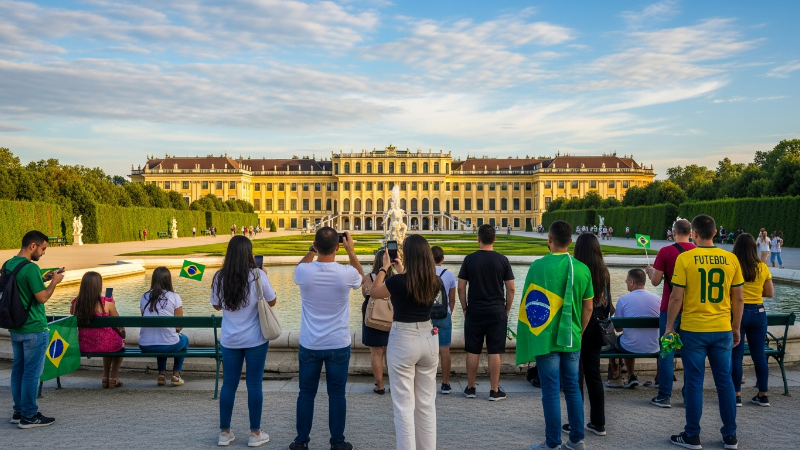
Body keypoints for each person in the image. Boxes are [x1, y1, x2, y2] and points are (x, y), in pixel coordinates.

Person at [665, 214, 743, 450]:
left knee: (695, 383)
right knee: (726, 383)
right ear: (716, 232)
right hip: (721, 328)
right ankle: (730, 436)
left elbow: (676, 297)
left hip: (693, 329)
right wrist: (736, 327)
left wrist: (669, 328)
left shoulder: (685, 259)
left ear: (694, 234)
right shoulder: (731, 259)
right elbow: (738, 298)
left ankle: (692, 435)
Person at [518, 220, 594, 450]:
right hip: (572, 338)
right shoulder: (582, 268)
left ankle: (552, 442)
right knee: (572, 388)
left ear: (549, 239)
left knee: (550, 391)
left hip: (546, 337)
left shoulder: (537, 267)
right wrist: (579, 330)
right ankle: (576, 440)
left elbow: (530, 303)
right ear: (570, 241)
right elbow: (588, 307)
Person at [291, 228, 363, 450]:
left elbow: (299, 268)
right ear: (339, 246)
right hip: (338, 343)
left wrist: (311, 250)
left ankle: (301, 441)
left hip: (311, 343)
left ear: (315, 244)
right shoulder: (346, 273)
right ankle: (337, 442)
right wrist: (351, 252)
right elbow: (362, 280)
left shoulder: (304, 271)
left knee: (306, 394)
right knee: (337, 394)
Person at [368, 235, 441, 450]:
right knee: (427, 404)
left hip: (404, 340)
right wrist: (401, 271)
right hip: (428, 339)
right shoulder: (434, 280)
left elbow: (373, 292)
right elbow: (414, 287)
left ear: (407, 255)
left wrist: (383, 268)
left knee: (403, 406)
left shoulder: (397, 281)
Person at [211, 235, 277, 447]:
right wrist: (263, 277)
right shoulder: (257, 275)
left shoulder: (220, 277)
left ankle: (224, 432)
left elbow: (216, 305)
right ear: (249, 253)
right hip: (256, 338)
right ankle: (255, 433)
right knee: (254, 383)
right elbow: (272, 301)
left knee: (229, 384)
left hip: (231, 339)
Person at [7, 231, 64, 428]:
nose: (43, 253)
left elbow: (24, 288)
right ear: (33, 246)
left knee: (18, 371)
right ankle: (29, 416)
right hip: (34, 327)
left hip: (16, 327)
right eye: (43, 248)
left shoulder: (8, 264)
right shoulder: (31, 268)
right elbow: (42, 298)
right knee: (31, 373)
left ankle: (18, 411)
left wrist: (45, 278)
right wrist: (54, 282)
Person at [458, 224, 515, 401]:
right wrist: (506, 309)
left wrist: (464, 307)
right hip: (497, 311)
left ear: (478, 239)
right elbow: (511, 288)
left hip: (474, 310)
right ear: (495, 239)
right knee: (494, 351)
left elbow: (461, 287)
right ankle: (494, 390)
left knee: (473, 350)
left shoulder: (469, 259)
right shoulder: (502, 260)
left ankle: (470, 388)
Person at [646, 218, 695, 408]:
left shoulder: (666, 251)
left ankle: (664, 396)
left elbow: (656, 282)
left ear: (673, 233)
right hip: (692, 310)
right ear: (691, 233)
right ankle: (688, 395)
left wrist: (650, 271)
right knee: (691, 354)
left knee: (667, 353)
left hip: (670, 311)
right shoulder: (697, 252)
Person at [569, 233, 612, 436]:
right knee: (593, 375)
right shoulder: (604, 272)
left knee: (576, 377)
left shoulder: (576, 270)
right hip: (597, 329)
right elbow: (608, 305)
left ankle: (575, 422)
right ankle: (598, 423)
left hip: (579, 325)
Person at [731, 233, 773, 407]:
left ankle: (736, 395)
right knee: (759, 356)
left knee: (736, 356)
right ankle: (763, 395)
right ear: (753, 247)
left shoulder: (733, 266)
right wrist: (756, 292)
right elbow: (769, 293)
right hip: (758, 311)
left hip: (737, 312)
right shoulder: (762, 267)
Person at [70, 271, 125, 389]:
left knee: (108, 341)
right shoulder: (106, 303)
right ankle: (113, 377)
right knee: (118, 342)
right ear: (99, 286)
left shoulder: (76, 303)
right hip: (106, 344)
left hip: (84, 344)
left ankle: (105, 377)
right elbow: (118, 322)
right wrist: (112, 303)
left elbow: (73, 317)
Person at [608, 269, 660, 388]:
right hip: (654, 347)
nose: (625, 282)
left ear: (632, 282)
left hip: (630, 347)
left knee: (622, 338)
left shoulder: (623, 300)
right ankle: (659, 377)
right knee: (659, 338)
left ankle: (629, 375)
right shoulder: (658, 299)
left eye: (626, 280)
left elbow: (619, 329)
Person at [139, 267, 189, 386]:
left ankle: (161, 375)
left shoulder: (144, 297)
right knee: (184, 341)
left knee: (161, 339)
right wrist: (176, 330)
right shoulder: (174, 296)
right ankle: (176, 375)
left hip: (145, 345)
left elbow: (144, 319)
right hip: (168, 345)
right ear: (168, 280)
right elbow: (180, 324)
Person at [361, 249, 393, 395]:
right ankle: (394, 383)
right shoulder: (396, 278)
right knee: (391, 353)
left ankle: (380, 386)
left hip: (373, 318)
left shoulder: (369, 277)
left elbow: (366, 293)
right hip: (391, 318)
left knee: (376, 353)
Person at [431, 245, 457, 394]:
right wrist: (448, 312)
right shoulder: (449, 275)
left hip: (426, 316)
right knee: (444, 350)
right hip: (443, 314)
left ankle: (426, 382)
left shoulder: (424, 273)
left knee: (426, 350)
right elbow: (452, 300)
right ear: (443, 258)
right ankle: (445, 384)